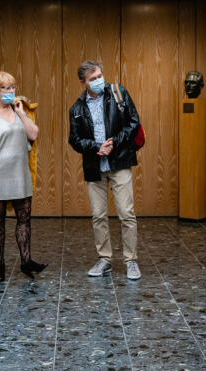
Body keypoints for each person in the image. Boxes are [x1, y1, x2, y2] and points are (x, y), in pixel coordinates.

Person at [68, 61, 142, 280]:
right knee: (98, 216)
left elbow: (133, 123)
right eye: (93, 79)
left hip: (119, 162)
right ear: (83, 82)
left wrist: (112, 143)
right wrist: (96, 147)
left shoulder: (118, 93)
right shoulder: (76, 109)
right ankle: (105, 260)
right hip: (95, 167)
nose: (99, 81)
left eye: (100, 75)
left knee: (126, 214)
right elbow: (74, 140)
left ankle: (131, 261)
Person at [0, 71, 47, 281]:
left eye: (13, 87)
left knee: (24, 218)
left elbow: (33, 134)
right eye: (6, 88)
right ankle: (0, 264)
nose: (11, 91)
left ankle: (26, 261)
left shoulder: (20, 110)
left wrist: (21, 113)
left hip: (19, 173)